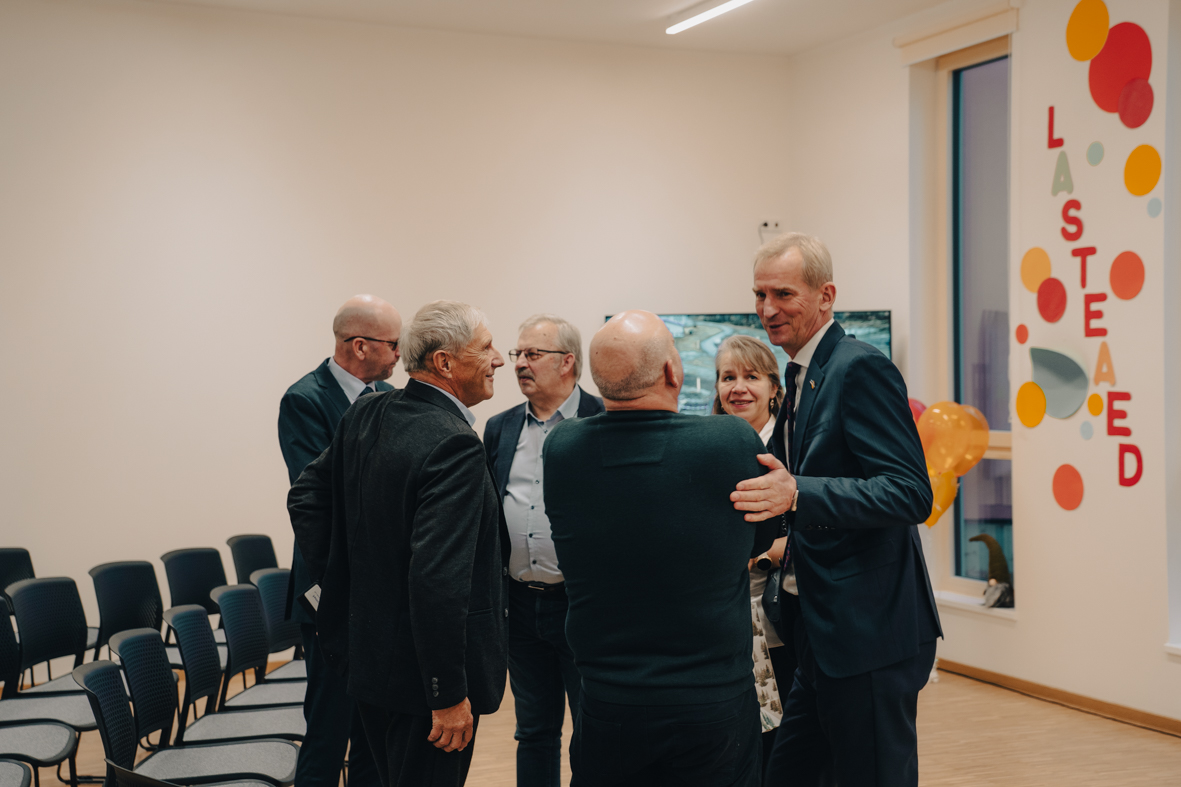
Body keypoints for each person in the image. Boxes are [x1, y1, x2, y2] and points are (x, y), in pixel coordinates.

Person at [543, 310, 779, 787]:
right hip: (712, 702)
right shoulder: (732, 440)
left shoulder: (562, 447)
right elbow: (759, 541)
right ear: (673, 371)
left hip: (608, 701)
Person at [743, 233, 941, 787]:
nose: (767, 309)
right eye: (759, 294)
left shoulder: (859, 368)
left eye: (783, 294)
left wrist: (798, 494)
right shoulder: (800, 372)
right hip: (820, 630)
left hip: (868, 633)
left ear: (826, 296)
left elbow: (910, 492)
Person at [288, 300, 510, 787]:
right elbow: (438, 580)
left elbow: (305, 497)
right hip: (423, 684)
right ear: (445, 362)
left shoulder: (369, 411)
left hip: (369, 660)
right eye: (487, 347)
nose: (498, 359)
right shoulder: (454, 443)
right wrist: (446, 695)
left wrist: (349, 583)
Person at [278, 293, 402, 787]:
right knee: (329, 727)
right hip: (329, 587)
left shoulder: (386, 397)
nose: (400, 354)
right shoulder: (305, 399)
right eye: (393, 344)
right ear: (360, 345)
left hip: (377, 593)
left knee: (374, 731)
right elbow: (319, 496)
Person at [482, 314, 604, 787]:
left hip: (583, 604)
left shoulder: (603, 420)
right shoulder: (500, 427)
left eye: (533, 354)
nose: (519, 364)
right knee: (533, 731)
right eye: (518, 354)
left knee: (591, 731)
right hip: (519, 605)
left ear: (567, 362)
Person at [711, 335, 795, 780]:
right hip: (722, 624)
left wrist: (759, 555)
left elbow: (810, 529)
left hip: (781, 622)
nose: (738, 387)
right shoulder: (707, 445)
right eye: (728, 377)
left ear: (774, 387)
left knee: (780, 750)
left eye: (751, 376)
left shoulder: (792, 445)